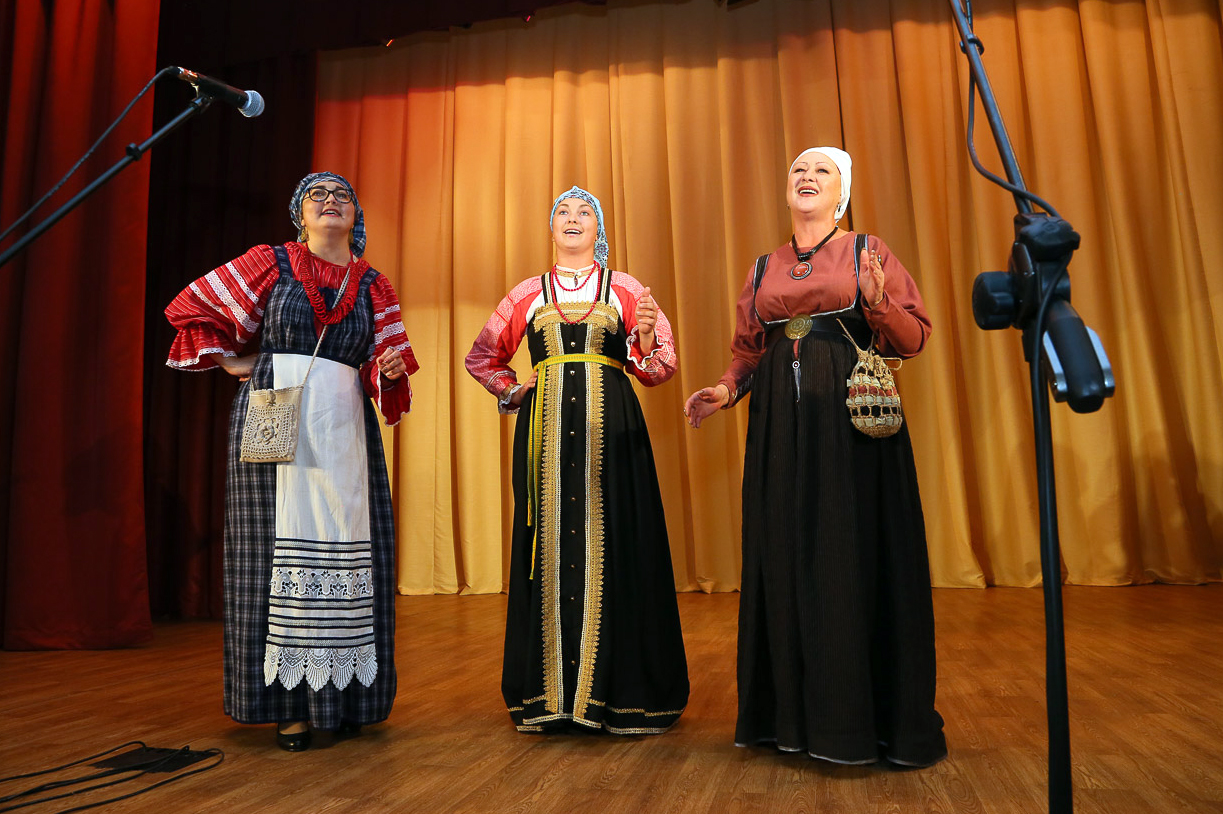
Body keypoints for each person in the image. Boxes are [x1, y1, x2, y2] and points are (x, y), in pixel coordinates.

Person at [684, 147, 947, 766]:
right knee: (785, 552)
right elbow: (749, 353)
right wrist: (723, 391)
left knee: (847, 552)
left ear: (841, 193)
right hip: (780, 426)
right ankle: (790, 721)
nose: (806, 177)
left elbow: (914, 339)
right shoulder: (764, 267)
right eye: (798, 170)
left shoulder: (866, 251)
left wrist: (878, 303)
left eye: (821, 171)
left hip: (850, 425)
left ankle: (860, 723)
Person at [165, 172, 418, 752]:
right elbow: (189, 305)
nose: (330, 202)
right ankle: (287, 709)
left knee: (348, 544)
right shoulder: (271, 263)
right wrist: (235, 361)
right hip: (275, 406)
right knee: (270, 550)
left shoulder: (373, 284)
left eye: (342, 196)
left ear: (356, 215)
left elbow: (388, 362)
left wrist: (388, 369)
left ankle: (347, 699)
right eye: (316, 196)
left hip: (343, 419)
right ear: (299, 214)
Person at [465, 186, 689, 734]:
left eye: (584, 212)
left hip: (612, 433)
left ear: (598, 229)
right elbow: (482, 356)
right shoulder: (526, 293)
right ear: (551, 228)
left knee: (616, 542)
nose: (572, 218)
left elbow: (663, 365)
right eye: (563, 212)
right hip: (544, 436)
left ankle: (617, 695)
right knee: (547, 542)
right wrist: (512, 389)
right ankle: (549, 696)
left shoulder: (628, 289)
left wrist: (642, 336)